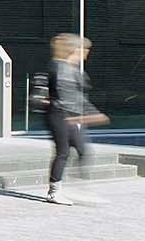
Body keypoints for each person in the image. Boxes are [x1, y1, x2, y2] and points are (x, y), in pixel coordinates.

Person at [46, 33, 108, 206]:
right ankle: (54, 191)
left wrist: (88, 113)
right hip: (60, 115)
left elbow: (79, 97)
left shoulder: (71, 68)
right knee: (63, 152)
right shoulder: (60, 68)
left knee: (82, 149)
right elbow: (68, 96)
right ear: (75, 50)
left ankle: (77, 185)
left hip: (70, 116)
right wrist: (87, 114)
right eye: (85, 49)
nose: (87, 53)